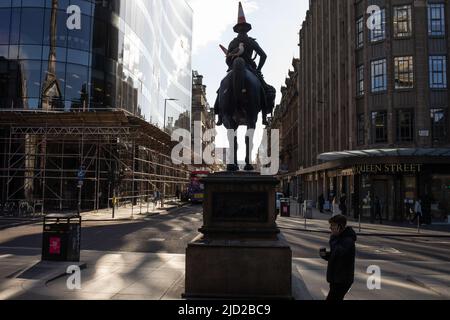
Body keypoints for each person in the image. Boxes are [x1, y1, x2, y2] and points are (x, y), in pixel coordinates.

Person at [214, 2, 275, 126]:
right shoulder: (251, 41)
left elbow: (227, 59)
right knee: (267, 90)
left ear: (237, 30)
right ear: (247, 29)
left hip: (233, 69)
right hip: (250, 69)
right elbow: (263, 56)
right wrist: (258, 69)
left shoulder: (232, 42)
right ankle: (264, 117)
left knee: (220, 90)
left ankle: (219, 116)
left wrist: (231, 64)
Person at [319, 214, 357, 300]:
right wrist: (326, 255)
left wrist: (333, 238)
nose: (330, 228)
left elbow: (339, 253)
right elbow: (335, 255)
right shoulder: (339, 238)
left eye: (333, 225)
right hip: (336, 278)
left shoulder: (348, 240)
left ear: (340, 227)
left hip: (342, 280)